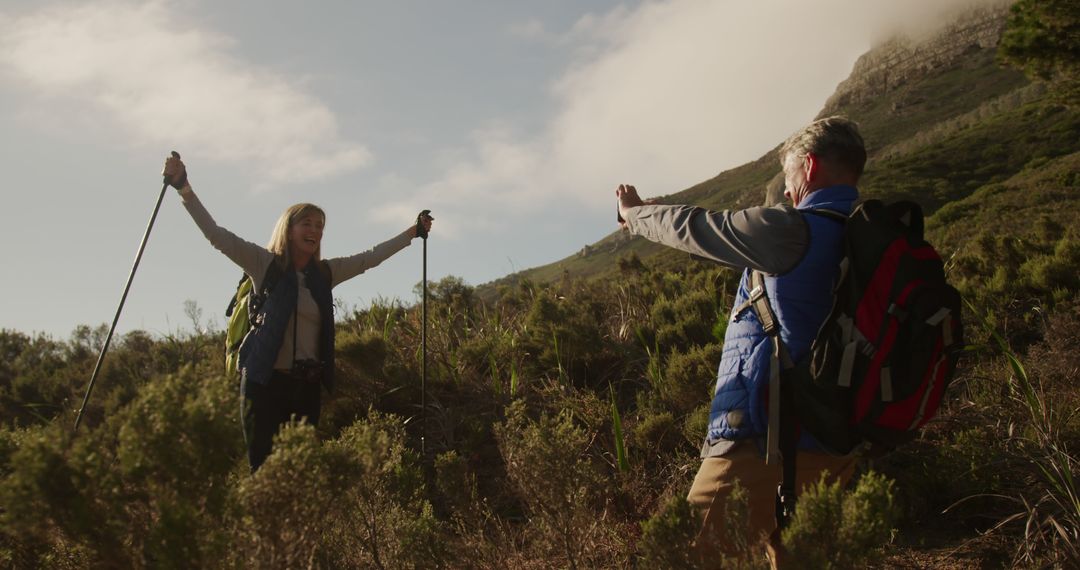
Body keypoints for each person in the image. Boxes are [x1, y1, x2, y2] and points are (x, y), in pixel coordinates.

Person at [615, 117, 866, 567]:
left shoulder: (794, 230)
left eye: (790, 178)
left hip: (765, 442)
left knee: (682, 557)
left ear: (808, 168)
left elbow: (696, 227)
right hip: (837, 442)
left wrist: (636, 215)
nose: (788, 193)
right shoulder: (868, 234)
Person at [162, 155, 432, 472]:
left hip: (305, 390)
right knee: (265, 474)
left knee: (300, 475)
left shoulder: (325, 274)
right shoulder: (264, 265)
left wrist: (412, 233)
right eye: (307, 223)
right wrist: (184, 188)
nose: (315, 230)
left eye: (320, 226)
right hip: (264, 385)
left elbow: (369, 258)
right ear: (289, 229)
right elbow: (216, 235)